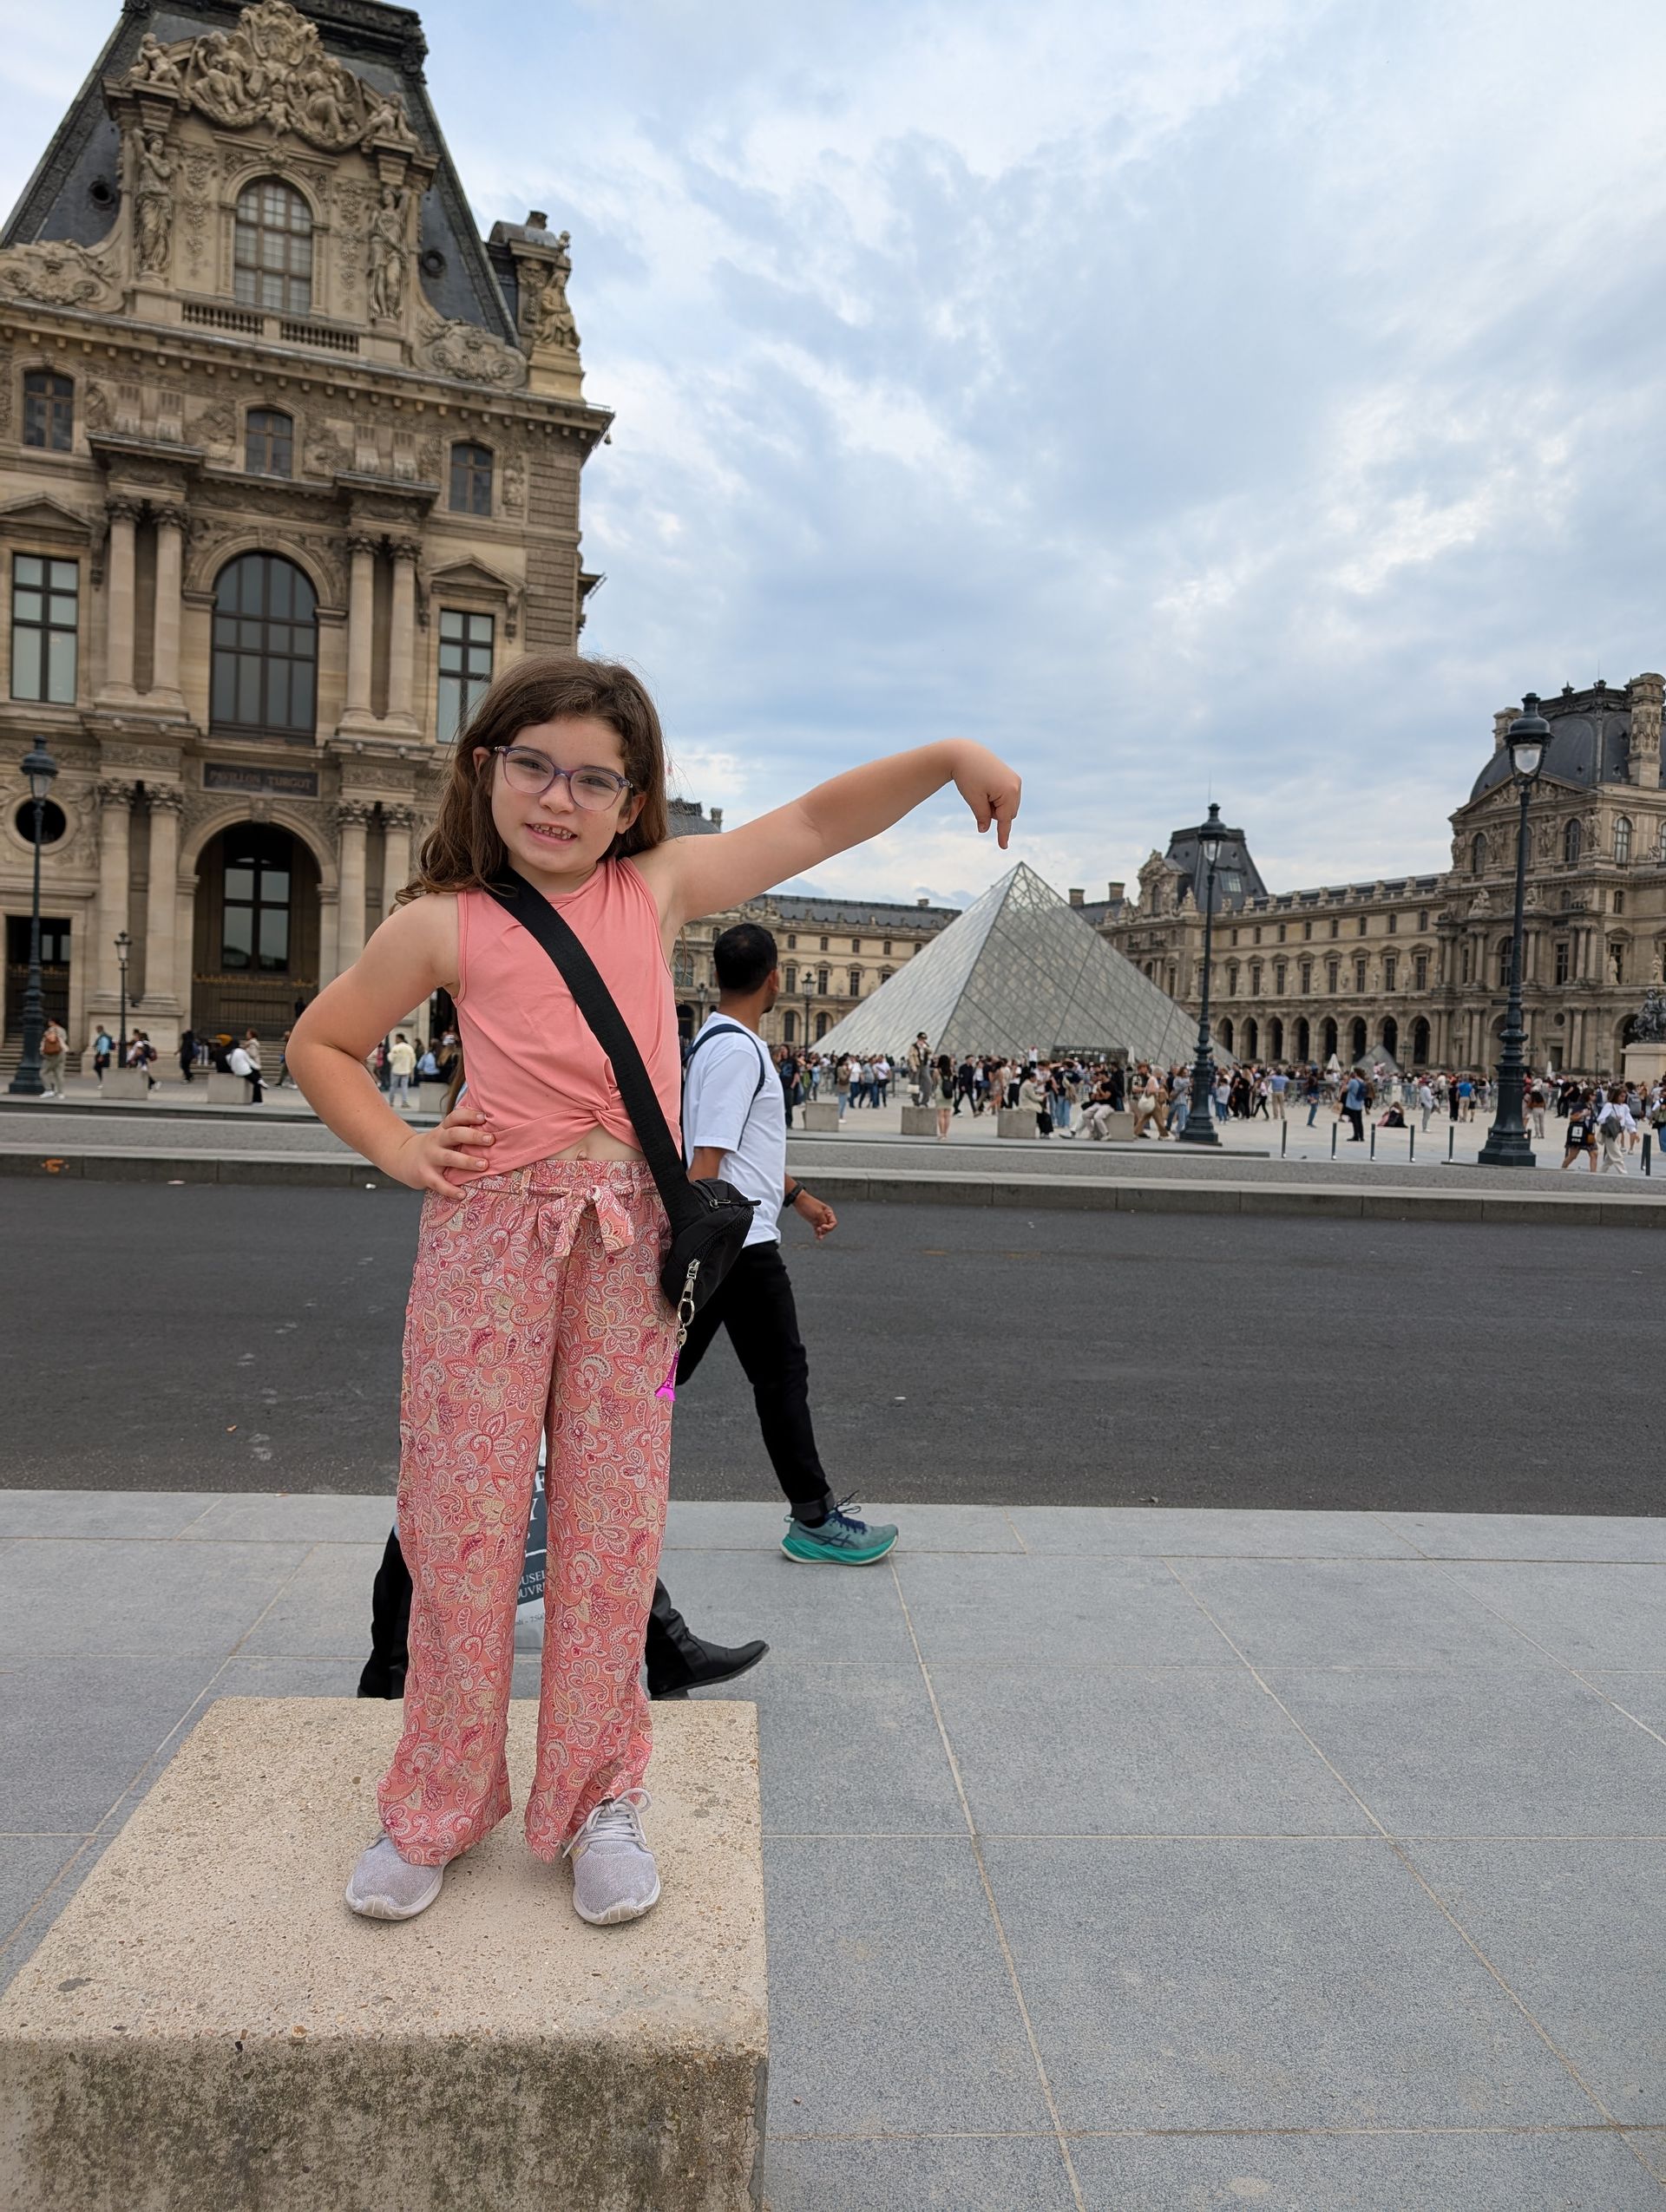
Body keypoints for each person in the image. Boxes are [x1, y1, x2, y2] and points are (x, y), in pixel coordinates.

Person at [285, 652, 1020, 1926]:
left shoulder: (660, 888)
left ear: (635, 802)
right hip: (489, 1238)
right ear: (484, 769)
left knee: (611, 1533)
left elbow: (811, 822)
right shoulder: (442, 922)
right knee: (460, 1526)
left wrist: (948, 756)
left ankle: (598, 1794)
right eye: (533, 767)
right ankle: (439, 1799)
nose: (558, 800)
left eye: (593, 779)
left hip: (627, 1242)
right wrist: (401, 1146)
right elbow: (321, 1040)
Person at [679, 920, 902, 1567]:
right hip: (737, 1247)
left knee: (666, 1376)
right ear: (776, 977)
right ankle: (813, 1519)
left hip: (736, 1240)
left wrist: (797, 1194)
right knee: (779, 1378)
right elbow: (708, 1159)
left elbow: (739, 1150)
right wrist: (702, 1252)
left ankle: (576, 1473)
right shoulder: (738, 1052)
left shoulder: (717, 1044)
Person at [1561, 1092, 1597, 1171]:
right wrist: (1583, 1114)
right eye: (1593, 1095)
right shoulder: (1579, 1105)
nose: (1595, 1097)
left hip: (1590, 1132)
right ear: (1588, 1096)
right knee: (1573, 1155)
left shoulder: (1591, 1105)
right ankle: (1563, 1168)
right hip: (1580, 1132)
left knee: (1594, 1153)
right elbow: (1572, 1118)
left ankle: (1594, 1174)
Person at [227, 1033, 263, 1104]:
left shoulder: (230, 1053)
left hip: (237, 1071)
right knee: (257, 1083)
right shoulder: (242, 1051)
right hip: (245, 1071)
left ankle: (260, 1079)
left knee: (257, 1079)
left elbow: (229, 1062)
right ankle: (257, 1101)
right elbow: (250, 1062)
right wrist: (258, 1068)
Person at [38, 1017, 68, 1095]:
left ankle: (48, 1090)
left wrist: (46, 1035)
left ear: (53, 1022)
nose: (48, 1023)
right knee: (59, 1074)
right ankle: (60, 1092)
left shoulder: (52, 1029)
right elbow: (63, 1040)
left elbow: (51, 1040)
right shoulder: (63, 1030)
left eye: (49, 1021)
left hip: (52, 1054)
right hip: (62, 1053)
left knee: (43, 1072)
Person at [388, 1031, 417, 1108]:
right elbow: (413, 1059)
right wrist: (411, 1068)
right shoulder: (409, 1048)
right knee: (404, 1087)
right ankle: (404, 1102)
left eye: (396, 1038)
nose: (395, 1040)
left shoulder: (396, 1048)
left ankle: (391, 1102)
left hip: (396, 1070)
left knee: (393, 1086)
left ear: (399, 1038)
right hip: (406, 1070)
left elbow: (391, 1058)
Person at [933, 1052, 954, 1141]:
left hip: (940, 1092)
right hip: (949, 1093)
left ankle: (941, 1134)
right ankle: (945, 1134)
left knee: (940, 1115)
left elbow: (934, 1083)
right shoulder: (951, 1070)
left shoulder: (936, 1071)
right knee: (947, 1115)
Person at [1342, 1069, 1367, 1142]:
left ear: (1355, 1073)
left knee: (1354, 1121)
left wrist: (1345, 1082)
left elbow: (1345, 1089)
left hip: (1352, 1104)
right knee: (1360, 1121)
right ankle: (1361, 1136)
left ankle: (1356, 1136)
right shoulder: (1362, 1082)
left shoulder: (1353, 1081)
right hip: (1359, 1104)